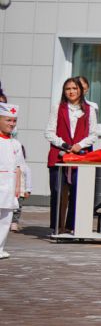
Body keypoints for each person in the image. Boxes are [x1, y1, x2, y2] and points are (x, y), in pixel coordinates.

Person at [44, 77, 98, 233]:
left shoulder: (89, 110)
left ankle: (73, 226)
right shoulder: (58, 108)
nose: (71, 92)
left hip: (80, 155)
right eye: (68, 89)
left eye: (74, 88)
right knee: (57, 191)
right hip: (59, 154)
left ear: (81, 90)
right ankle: (57, 227)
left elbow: (93, 134)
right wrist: (65, 145)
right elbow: (49, 132)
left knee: (78, 191)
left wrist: (79, 145)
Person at [0, 102, 32, 259]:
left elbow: (19, 166)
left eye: (14, 121)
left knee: (6, 217)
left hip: (10, 185)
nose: (11, 124)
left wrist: (19, 186)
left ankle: (0, 247)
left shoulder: (16, 144)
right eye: (8, 120)